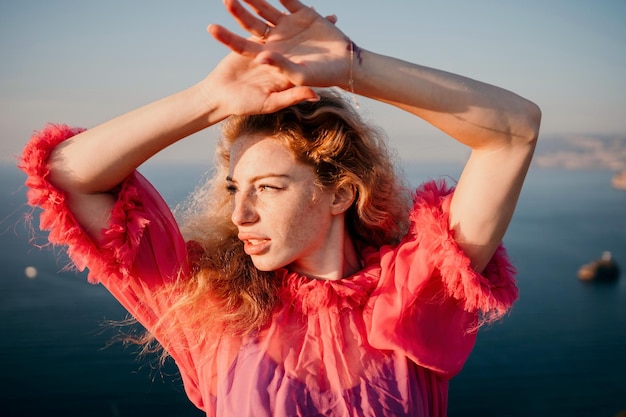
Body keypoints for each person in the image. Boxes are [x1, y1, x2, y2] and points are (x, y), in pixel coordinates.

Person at [18, 0, 541, 416]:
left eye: (267, 187)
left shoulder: (415, 292)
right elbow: (67, 176)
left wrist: (354, 67)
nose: (240, 213)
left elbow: (514, 130)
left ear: (340, 194)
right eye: (234, 189)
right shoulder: (207, 305)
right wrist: (211, 100)